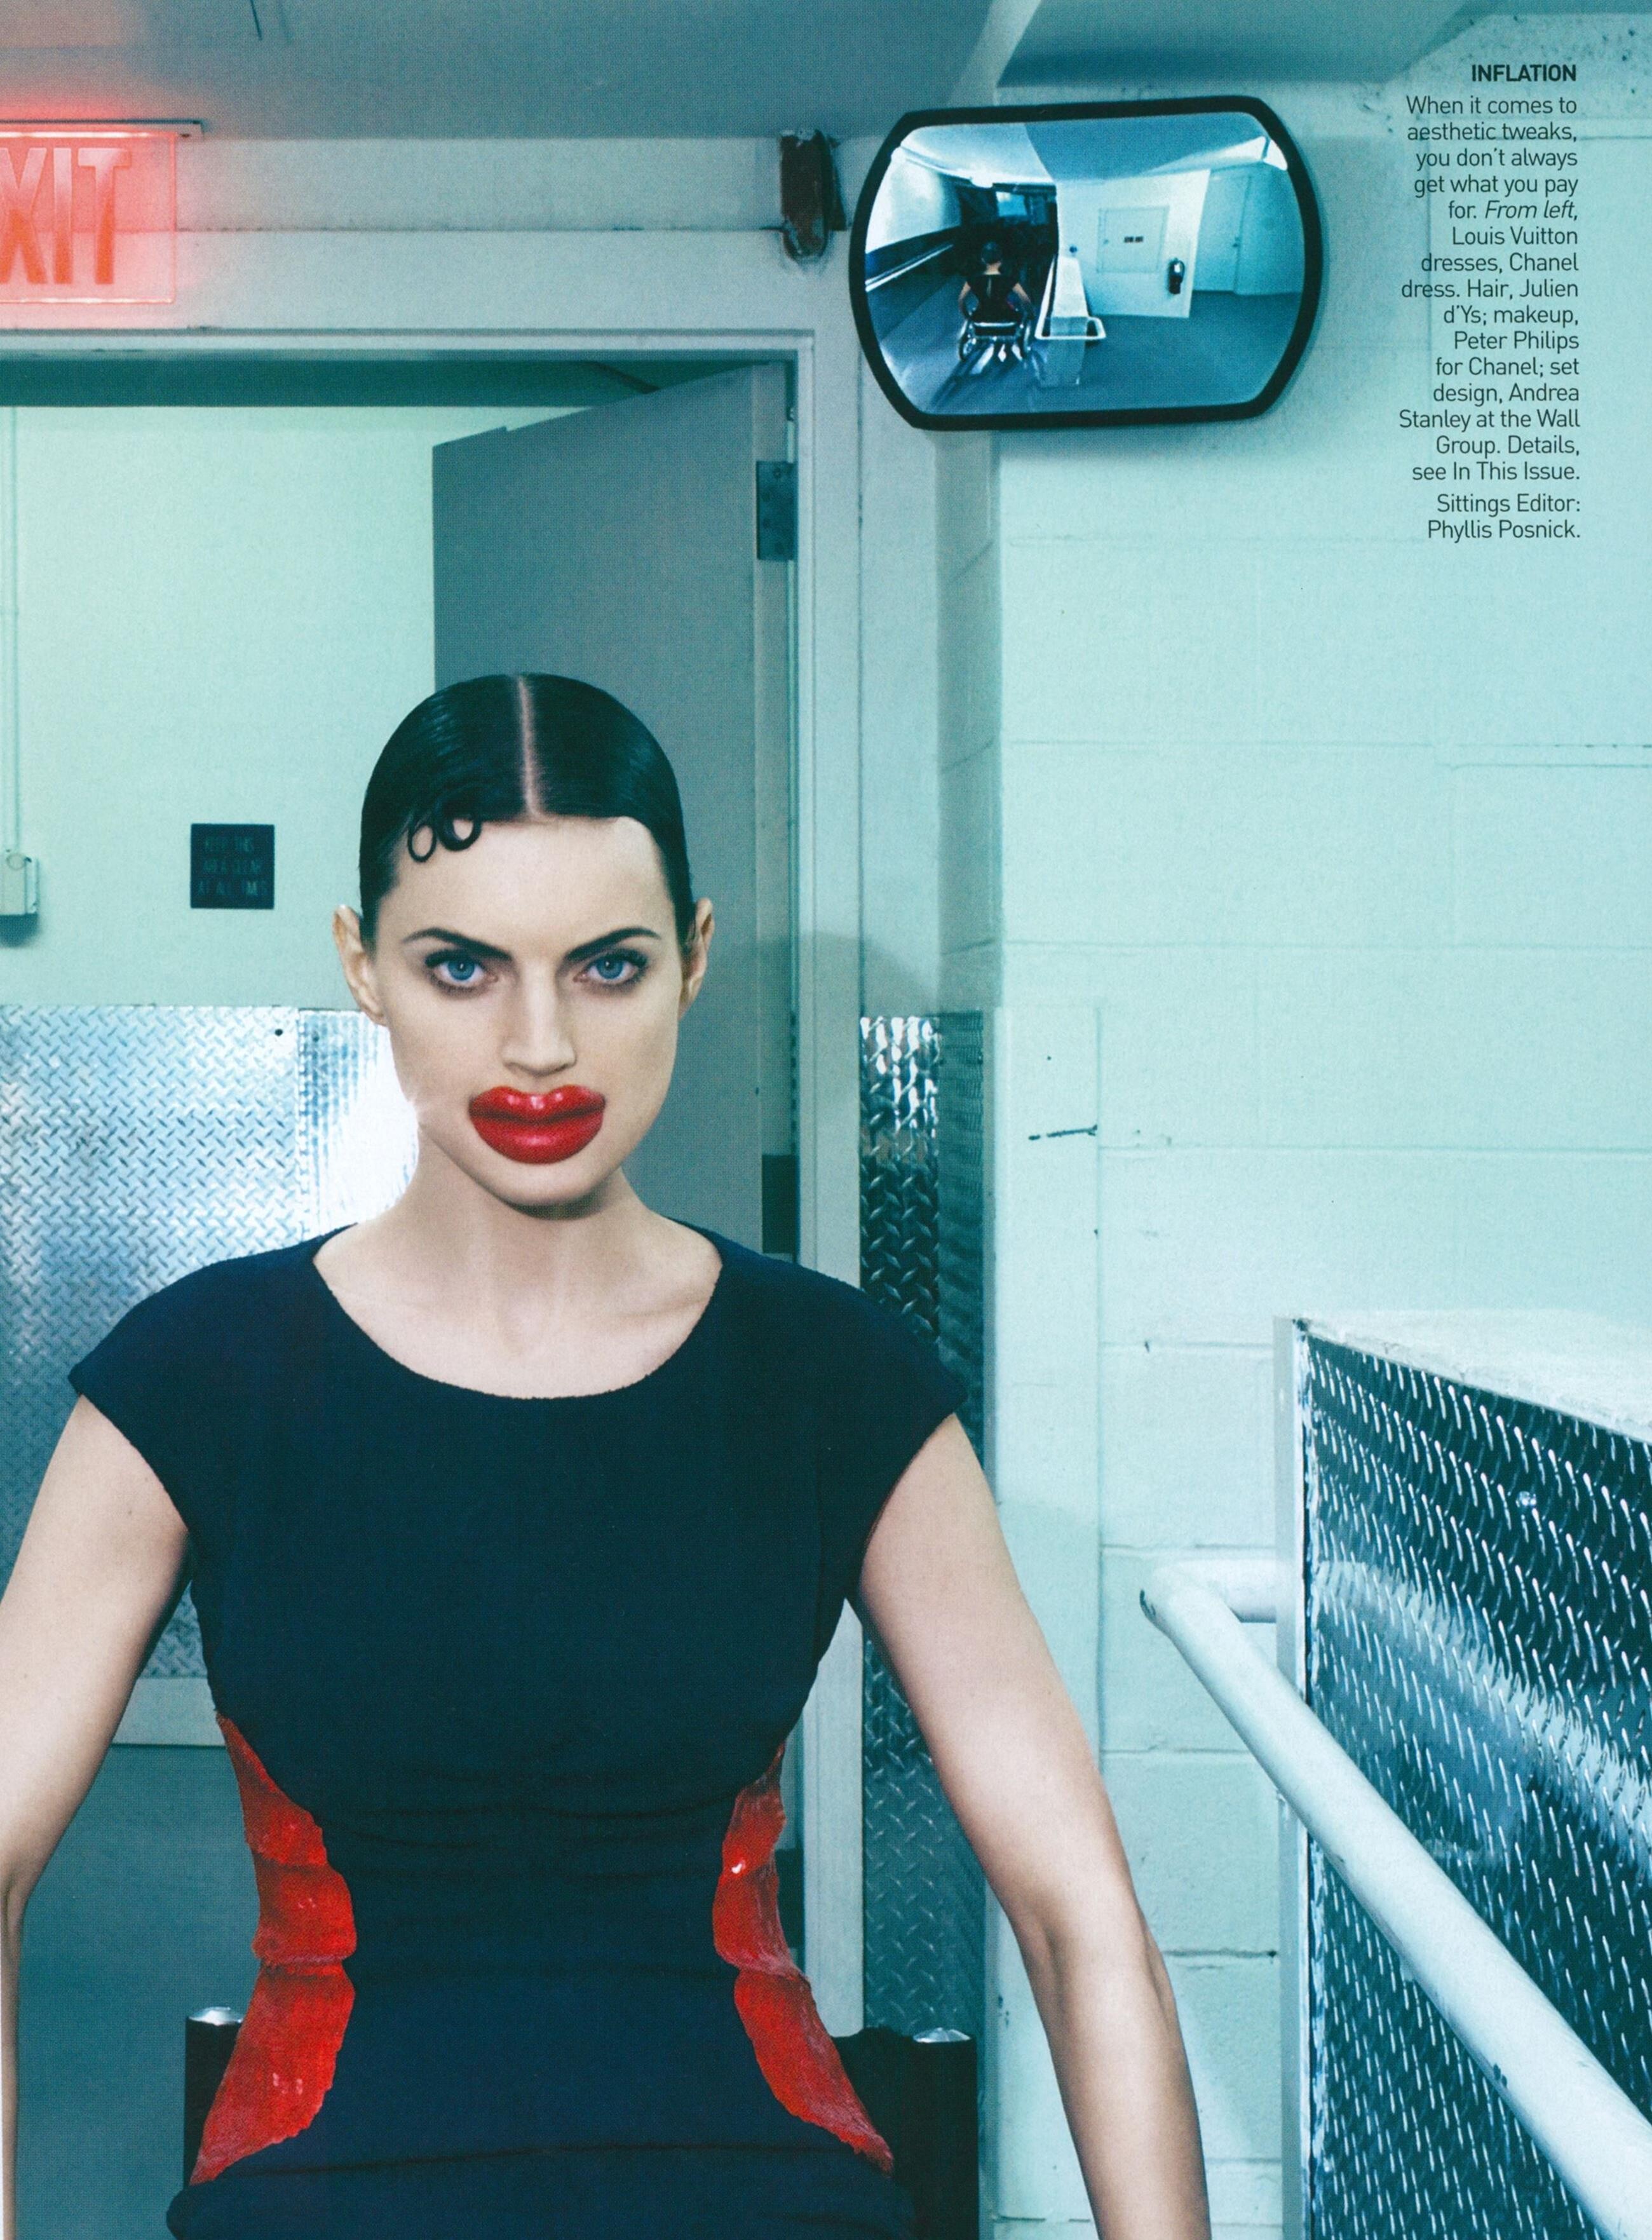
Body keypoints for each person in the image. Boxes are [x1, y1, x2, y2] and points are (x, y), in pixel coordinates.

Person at [0, 674, 1211, 2239]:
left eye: (608, 964)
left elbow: (1076, 1912)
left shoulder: (833, 1376)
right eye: (461, 965)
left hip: (762, 2206)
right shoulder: (197, 1373)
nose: (541, 1044)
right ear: (361, 964)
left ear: (692, 956)